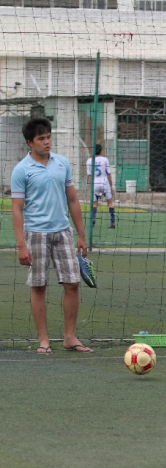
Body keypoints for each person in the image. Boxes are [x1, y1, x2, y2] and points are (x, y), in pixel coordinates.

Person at [11, 117, 92, 354]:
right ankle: (44, 340)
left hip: (63, 233)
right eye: (41, 138)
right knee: (39, 286)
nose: (47, 142)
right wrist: (21, 245)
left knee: (73, 284)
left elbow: (73, 199)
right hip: (35, 235)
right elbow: (17, 209)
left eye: (48, 137)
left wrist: (81, 235)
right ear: (30, 142)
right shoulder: (21, 170)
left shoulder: (62, 163)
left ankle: (69, 337)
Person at [85, 144, 116, 229]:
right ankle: (112, 222)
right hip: (104, 182)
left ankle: (93, 218)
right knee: (110, 203)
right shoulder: (105, 160)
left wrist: (90, 187)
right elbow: (108, 174)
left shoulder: (89, 161)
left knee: (95, 204)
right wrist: (111, 186)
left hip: (95, 183)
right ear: (101, 150)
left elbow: (89, 176)